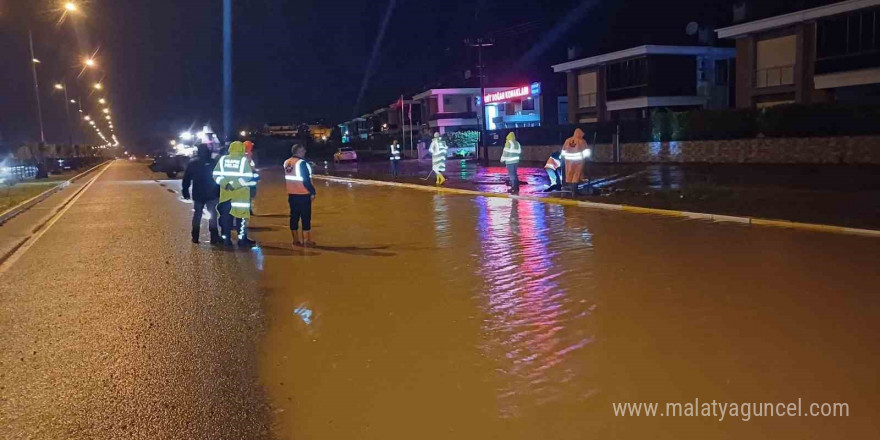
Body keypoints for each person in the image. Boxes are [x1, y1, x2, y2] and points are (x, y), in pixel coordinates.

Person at [213, 141, 257, 247]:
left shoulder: (222, 159)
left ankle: (226, 239)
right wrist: (235, 185)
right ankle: (242, 240)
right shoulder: (243, 161)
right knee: (241, 220)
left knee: (226, 219)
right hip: (240, 196)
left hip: (226, 195)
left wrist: (225, 184)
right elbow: (248, 176)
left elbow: (215, 174)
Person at [182, 144, 221, 244]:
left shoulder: (193, 163)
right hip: (211, 193)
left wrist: (185, 190)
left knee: (197, 214)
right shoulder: (213, 162)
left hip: (198, 193)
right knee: (212, 214)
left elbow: (186, 178)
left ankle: (195, 236)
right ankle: (214, 236)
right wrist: (219, 191)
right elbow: (219, 177)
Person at [283, 143, 317, 247]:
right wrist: (312, 191)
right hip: (303, 194)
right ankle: (306, 241)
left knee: (294, 217)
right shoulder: (302, 163)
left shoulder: (286, 162)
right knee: (306, 218)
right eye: (303, 150)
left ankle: (295, 240)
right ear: (298, 151)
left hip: (292, 195)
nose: (305, 152)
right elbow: (306, 180)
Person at [562, 128, 591, 195]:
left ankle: (572, 189)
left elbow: (563, 151)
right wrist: (588, 158)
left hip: (568, 161)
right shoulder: (582, 141)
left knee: (570, 174)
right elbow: (586, 152)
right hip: (578, 161)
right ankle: (574, 191)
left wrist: (563, 159)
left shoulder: (567, 140)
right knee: (576, 174)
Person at [243, 140, 261, 215]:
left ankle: (248, 209)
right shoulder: (246, 155)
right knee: (248, 195)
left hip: (248, 178)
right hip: (247, 178)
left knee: (248, 195)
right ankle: (247, 210)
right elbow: (251, 167)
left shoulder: (247, 154)